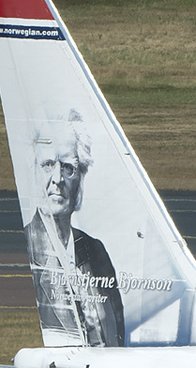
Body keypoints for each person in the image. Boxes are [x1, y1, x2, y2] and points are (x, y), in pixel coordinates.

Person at [24, 111, 125, 347]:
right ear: (33, 172)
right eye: (47, 165)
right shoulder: (27, 245)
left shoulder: (95, 251)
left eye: (68, 168)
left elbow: (117, 336)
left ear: (80, 179)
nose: (58, 178)